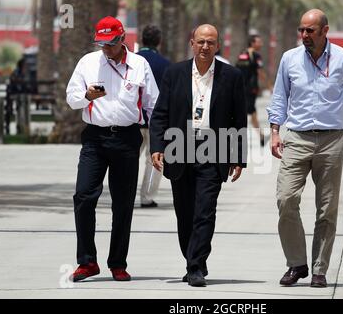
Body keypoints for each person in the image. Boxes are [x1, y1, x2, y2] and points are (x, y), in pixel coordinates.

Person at [267, 9, 343, 288]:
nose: (305, 35)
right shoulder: (290, 59)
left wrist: (330, 113)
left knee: (327, 208)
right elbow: (279, 96)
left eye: (310, 30)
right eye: (302, 30)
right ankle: (297, 264)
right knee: (286, 200)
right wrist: (274, 132)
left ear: (325, 30)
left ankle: (320, 269)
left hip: (332, 141)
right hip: (296, 138)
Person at [149, 24, 247, 287]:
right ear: (192, 43)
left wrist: (238, 157)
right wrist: (157, 146)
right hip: (180, 147)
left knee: (205, 211)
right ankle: (193, 261)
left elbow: (239, 120)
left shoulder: (232, 76)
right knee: (185, 212)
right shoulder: (174, 73)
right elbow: (160, 113)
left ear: (218, 46)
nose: (205, 47)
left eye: (211, 42)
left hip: (215, 148)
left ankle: (195, 267)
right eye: (201, 41)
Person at [66, 16, 159, 282]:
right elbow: (71, 98)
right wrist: (86, 96)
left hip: (127, 139)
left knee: (123, 204)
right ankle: (87, 262)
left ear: (122, 40)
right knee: (83, 196)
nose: (105, 49)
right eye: (101, 44)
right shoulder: (88, 62)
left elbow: (153, 105)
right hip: (94, 139)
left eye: (110, 43)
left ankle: (117, 262)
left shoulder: (140, 65)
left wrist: (158, 142)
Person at [137, 25, 170, 208]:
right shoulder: (165, 64)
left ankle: (124, 194)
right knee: (154, 159)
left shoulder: (132, 60)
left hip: (132, 120)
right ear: (159, 41)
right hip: (156, 121)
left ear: (142, 39)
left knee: (129, 159)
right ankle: (147, 197)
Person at [236, 34, 266, 146]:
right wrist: (269, 86)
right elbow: (260, 72)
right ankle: (260, 135)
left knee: (248, 111)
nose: (261, 44)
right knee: (251, 112)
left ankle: (260, 135)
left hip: (240, 88)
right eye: (259, 42)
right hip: (251, 89)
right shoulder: (256, 55)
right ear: (252, 43)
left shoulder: (242, 54)